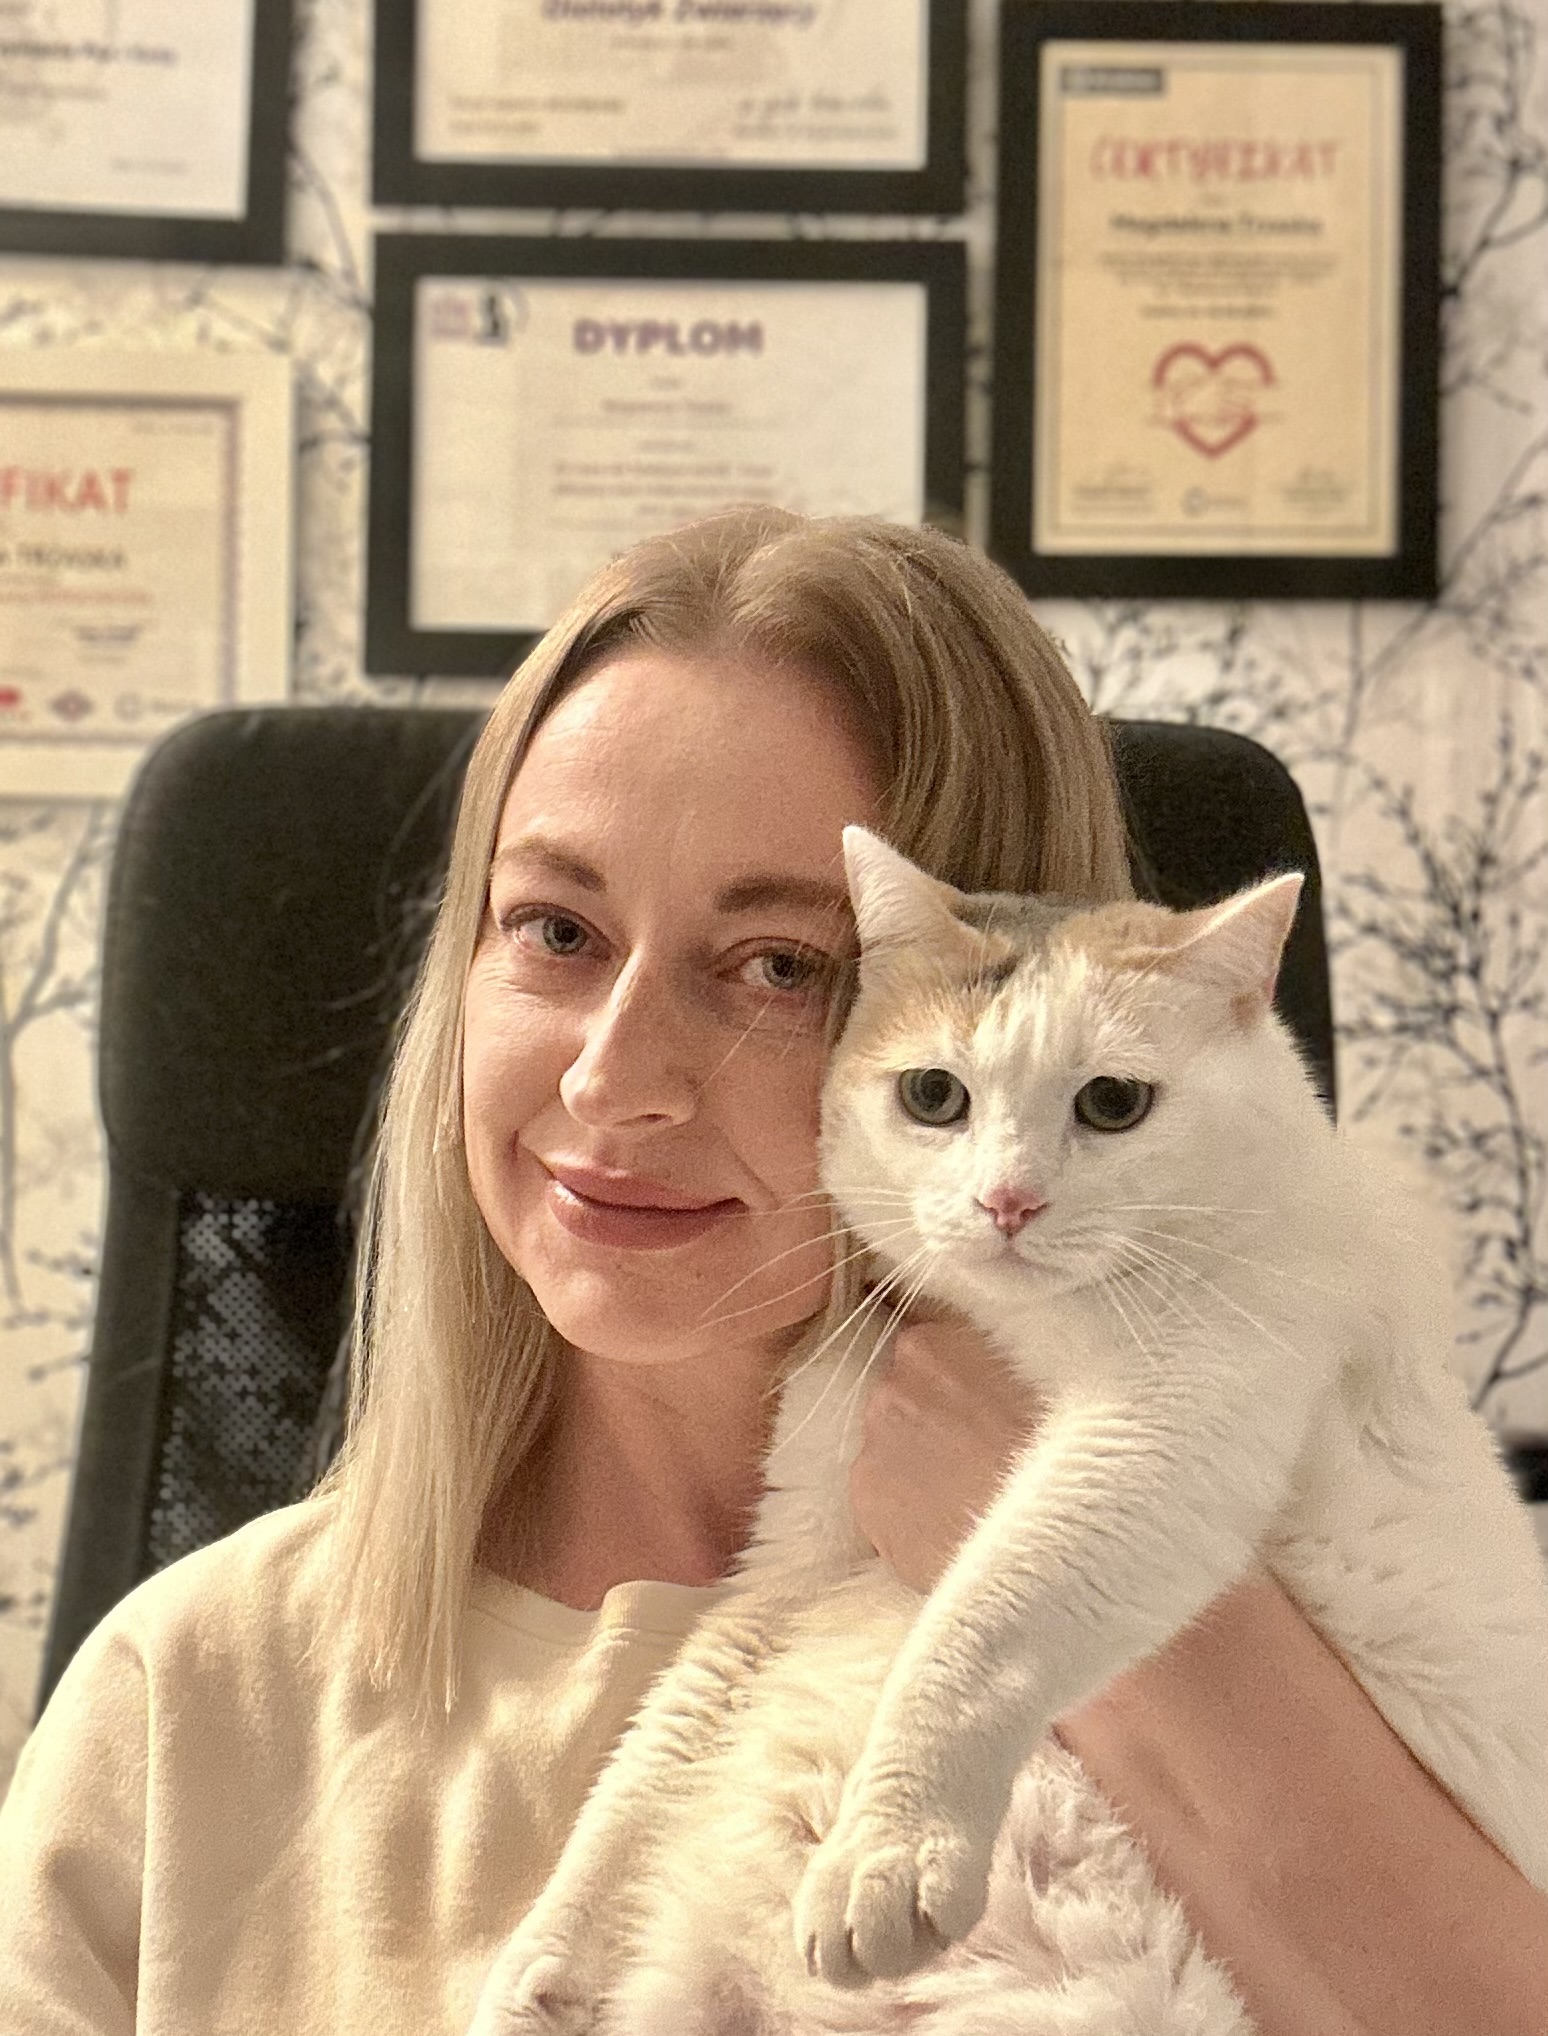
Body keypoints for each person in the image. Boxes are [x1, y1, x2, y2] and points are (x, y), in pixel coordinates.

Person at [1, 507, 1544, 2036]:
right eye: (554, 929)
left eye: (781, 966)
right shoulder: (182, 1704)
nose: (612, 1081)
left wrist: (1144, 1641)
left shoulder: (1368, 1643)